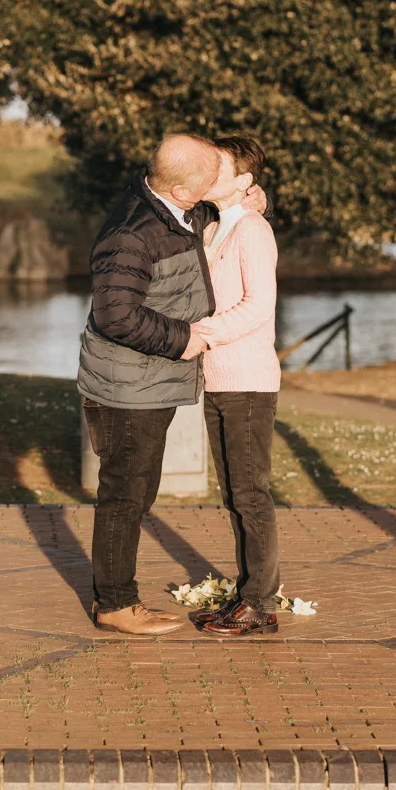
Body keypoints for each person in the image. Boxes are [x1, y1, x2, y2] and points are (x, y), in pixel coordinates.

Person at [77, 133, 267, 636]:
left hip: (148, 383)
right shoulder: (131, 234)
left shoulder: (173, 209)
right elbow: (114, 314)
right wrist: (184, 339)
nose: (218, 182)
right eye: (212, 176)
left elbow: (216, 222)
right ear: (184, 188)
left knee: (137, 491)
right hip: (126, 388)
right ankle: (115, 605)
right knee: (125, 495)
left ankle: (118, 598)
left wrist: (250, 202)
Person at [190, 136, 281, 637]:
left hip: (248, 381)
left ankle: (260, 604)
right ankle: (248, 596)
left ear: (244, 181)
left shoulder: (252, 230)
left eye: (218, 167)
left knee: (251, 495)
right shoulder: (214, 228)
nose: (207, 173)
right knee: (235, 495)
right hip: (218, 380)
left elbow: (258, 306)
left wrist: (202, 334)